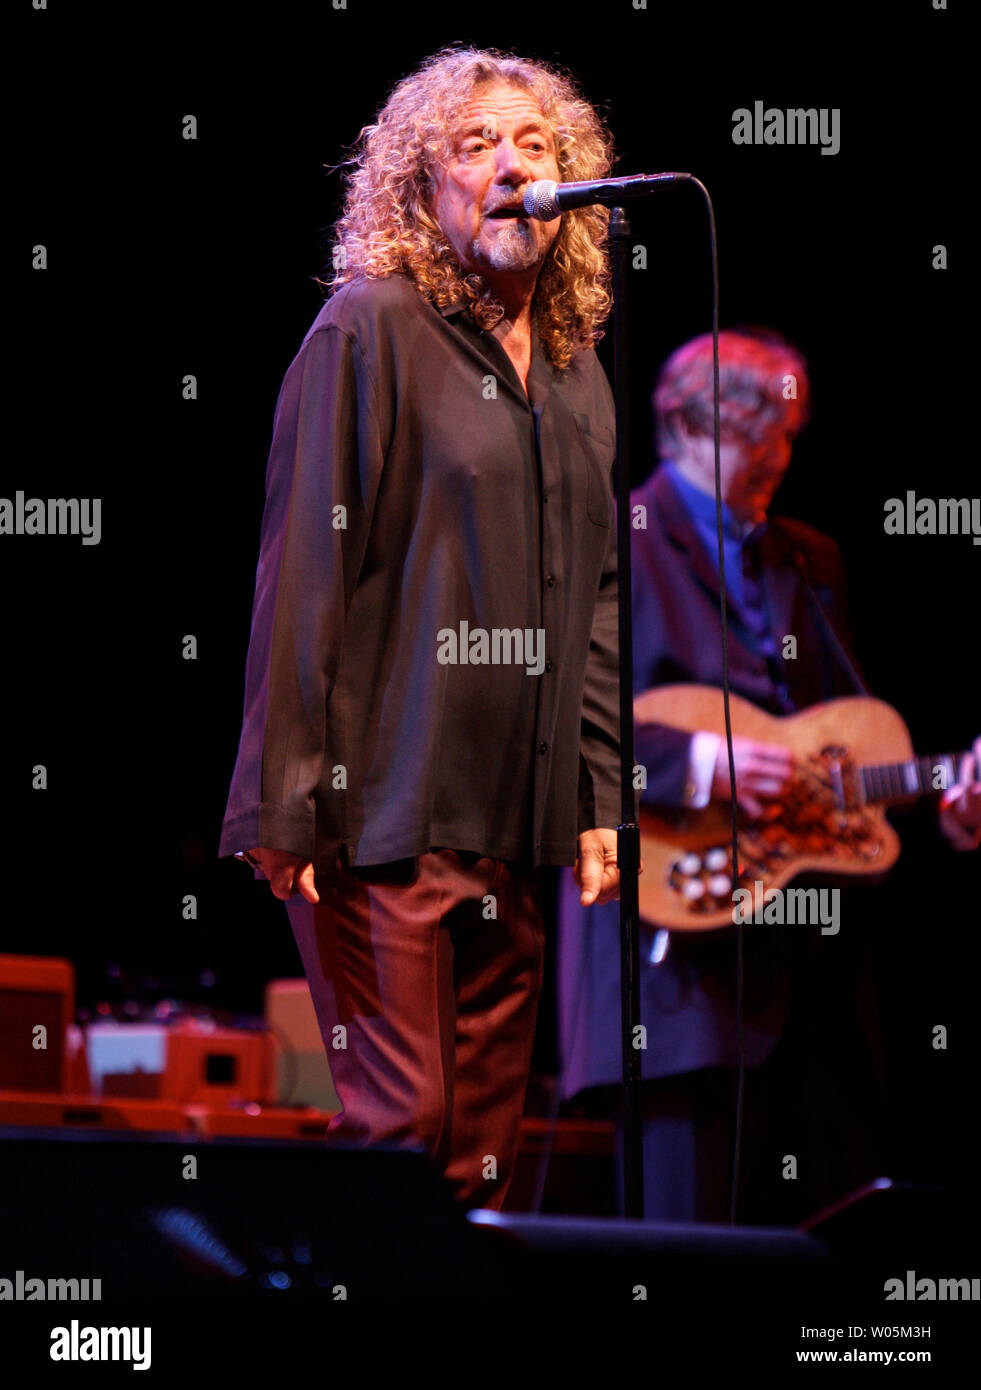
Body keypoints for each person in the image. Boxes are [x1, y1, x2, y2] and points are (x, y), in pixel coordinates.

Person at [218, 45, 631, 1212]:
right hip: (381, 811)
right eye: (477, 145)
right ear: (423, 187)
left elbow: (598, 597)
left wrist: (602, 801)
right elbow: (304, 567)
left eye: (537, 146)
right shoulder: (371, 330)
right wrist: (281, 796)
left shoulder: (574, 372)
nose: (514, 167)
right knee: (406, 1128)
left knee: (488, 1154)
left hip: (517, 822)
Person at [556, 329, 980, 1224]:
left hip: (812, 985)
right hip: (673, 980)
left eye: (787, 434)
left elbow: (843, 765)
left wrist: (944, 805)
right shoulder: (609, 540)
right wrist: (702, 761)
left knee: (815, 1280)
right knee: (687, 1271)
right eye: (761, 434)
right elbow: (553, 734)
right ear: (691, 424)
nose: (779, 456)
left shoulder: (808, 557)